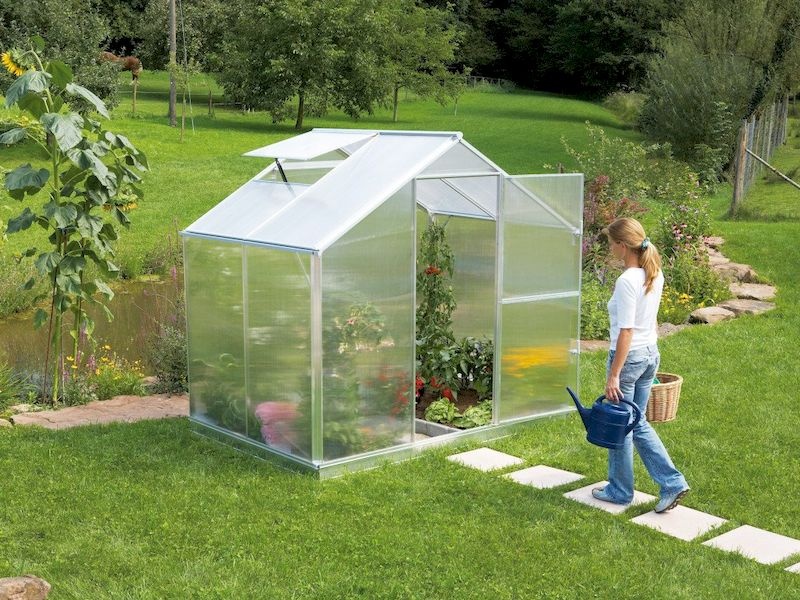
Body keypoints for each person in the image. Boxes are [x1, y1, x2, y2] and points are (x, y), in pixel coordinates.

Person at [591, 217, 690, 513]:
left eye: (612, 244)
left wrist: (614, 375)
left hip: (629, 358)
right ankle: (671, 483)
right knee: (637, 421)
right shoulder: (654, 273)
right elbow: (650, 320)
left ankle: (621, 490)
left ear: (623, 246)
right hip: (649, 354)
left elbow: (626, 330)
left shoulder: (627, 280)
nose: (610, 249)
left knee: (620, 424)